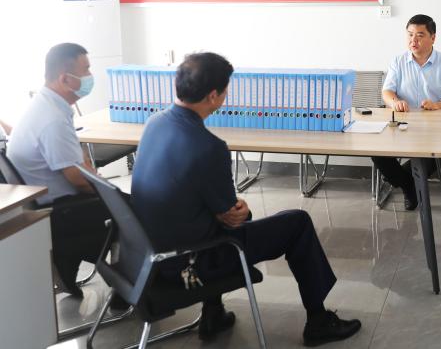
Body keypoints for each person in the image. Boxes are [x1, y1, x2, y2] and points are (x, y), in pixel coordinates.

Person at [131, 52, 361, 345]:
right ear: (213, 96)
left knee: (208, 218)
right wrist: (241, 209)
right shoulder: (208, 147)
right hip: (191, 265)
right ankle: (318, 321)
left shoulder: (154, 123)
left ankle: (213, 312)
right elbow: (232, 217)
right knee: (297, 223)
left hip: (150, 256)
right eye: (226, 89)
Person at [6, 43, 115, 298]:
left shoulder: (45, 105)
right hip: (62, 210)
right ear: (65, 79)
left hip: (49, 203)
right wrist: (112, 193)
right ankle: (125, 291)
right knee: (134, 213)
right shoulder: (52, 119)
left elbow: (77, 164)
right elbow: (77, 178)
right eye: (86, 70)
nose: (90, 76)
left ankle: (68, 264)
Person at [371, 14, 441, 210]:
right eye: (410, 34)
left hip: (434, 130)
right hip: (401, 127)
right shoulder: (398, 61)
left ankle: (407, 187)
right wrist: (395, 102)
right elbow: (387, 92)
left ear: (433, 38)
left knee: (429, 158)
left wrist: (437, 105)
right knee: (377, 152)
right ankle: (409, 186)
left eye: (420, 35)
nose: (413, 40)